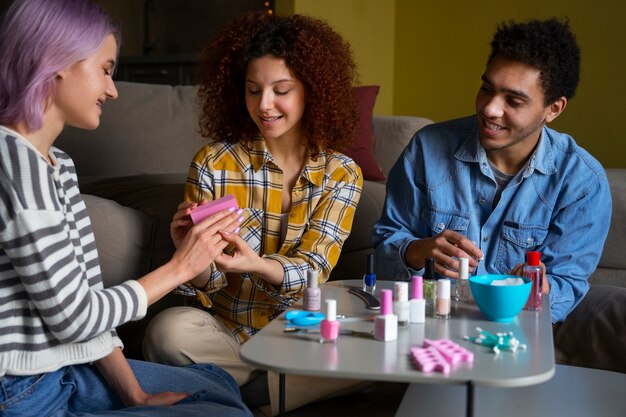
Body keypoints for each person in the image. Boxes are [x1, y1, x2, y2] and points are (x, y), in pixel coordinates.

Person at [0, 1, 252, 415]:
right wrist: (181, 268)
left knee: (219, 387)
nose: (113, 89)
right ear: (57, 60)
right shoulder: (13, 162)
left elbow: (89, 303)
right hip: (22, 392)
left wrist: (135, 395)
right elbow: (76, 318)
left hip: (64, 369)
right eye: (105, 68)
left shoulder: (58, 164)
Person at [143, 11, 364, 416]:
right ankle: (279, 389)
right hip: (227, 333)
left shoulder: (341, 173)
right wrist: (188, 254)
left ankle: (234, 393)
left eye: (281, 90)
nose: (264, 105)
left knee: (380, 342)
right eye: (252, 90)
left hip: (304, 332)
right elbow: (205, 284)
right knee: (166, 331)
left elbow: (315, 269)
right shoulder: (213, 163)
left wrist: (258, 265)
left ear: (310, 92)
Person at [372, 18, 612, 324]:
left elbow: (567, 286)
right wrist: (417, 252)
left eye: (513, 100)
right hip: (430, 329)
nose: (490, 108)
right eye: (487, 88)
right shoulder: (426, 149)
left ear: (553, 109)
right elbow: (382, 250)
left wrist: (541, 287)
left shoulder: (583, 182)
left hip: (517, 336)